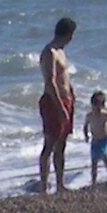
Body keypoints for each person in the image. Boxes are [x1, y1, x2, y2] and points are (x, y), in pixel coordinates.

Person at [36, 18, 80, 194]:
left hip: (66, 99)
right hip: (53, 102)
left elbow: (64, 77)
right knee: (50, 143)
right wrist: (60, 106)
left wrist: (71, 93)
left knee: (62, 144)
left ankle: (60, 184)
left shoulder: (61, 51)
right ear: (68, 34)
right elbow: (50, 81)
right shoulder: (50, 52)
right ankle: (44, 186)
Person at [85, 91, 107, 183]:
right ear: (92, 105)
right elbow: (85, 126)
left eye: (99, 107)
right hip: (95, 141)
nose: (97, 110)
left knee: (105, 156)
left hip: (105, 139)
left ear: (103, 106)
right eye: (95, 107)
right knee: (94, 161)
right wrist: (86, 135)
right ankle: (93, 180)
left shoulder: (105, 115)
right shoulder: (89, 116)